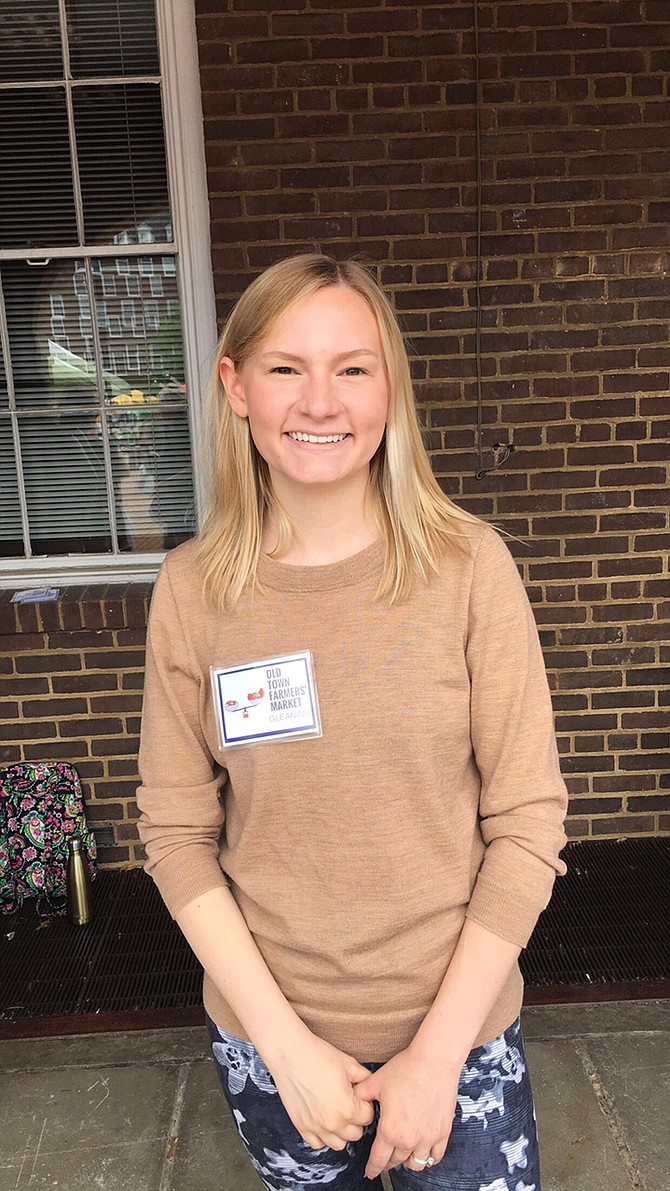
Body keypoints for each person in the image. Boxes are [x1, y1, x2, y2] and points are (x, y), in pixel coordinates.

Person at [136, 253, 568, 1191]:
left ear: (390, 390)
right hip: (276, 1051)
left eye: (352, 368)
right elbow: (176, 834)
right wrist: (284, 1046)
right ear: (235, 386)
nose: (319, 402)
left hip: (461, 1043)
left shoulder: (470, 569)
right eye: (286, 367)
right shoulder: (192, 591)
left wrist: (436, 1057)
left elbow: (529, 824)